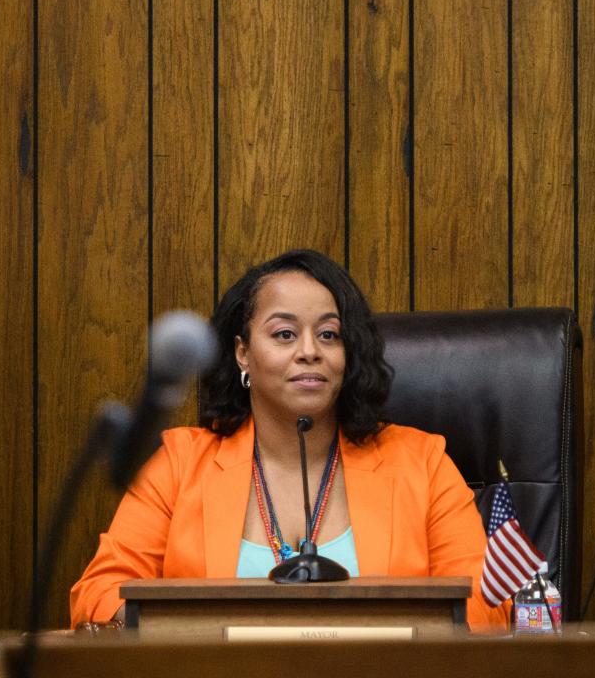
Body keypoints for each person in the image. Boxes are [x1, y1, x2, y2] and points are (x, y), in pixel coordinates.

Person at [70, 249, 508, 631]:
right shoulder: (177, 464)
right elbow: (100, 594)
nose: (309, 351)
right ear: (243, 352)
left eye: (328, 334)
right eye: (284, 334)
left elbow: (485, 607)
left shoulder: (422, 463)